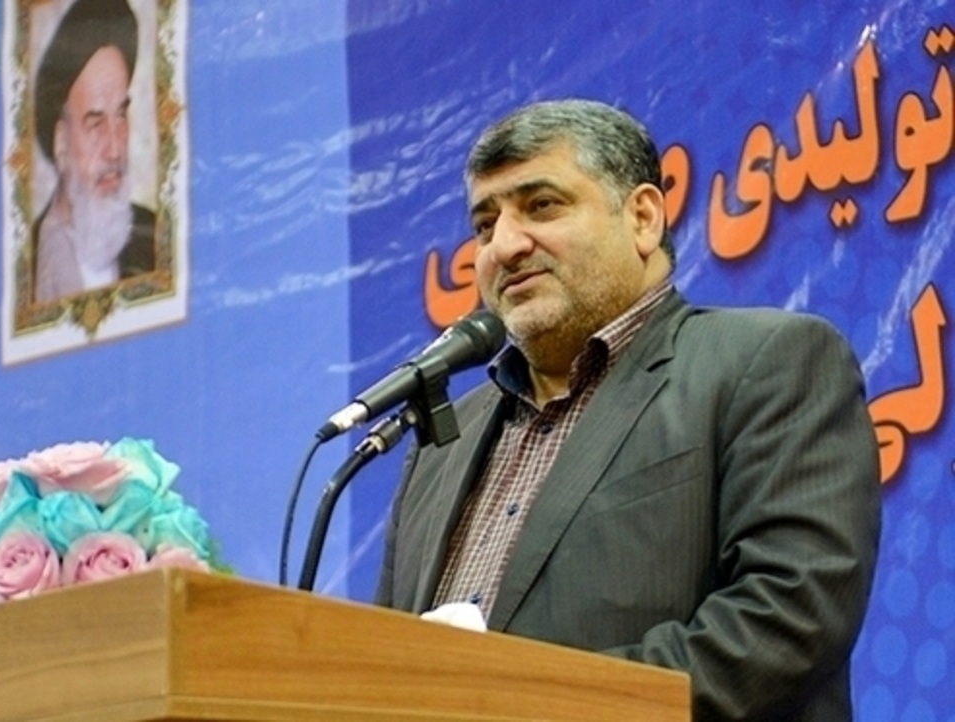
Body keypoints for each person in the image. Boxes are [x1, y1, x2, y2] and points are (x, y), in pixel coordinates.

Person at [375, 99, 881, 721]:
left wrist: (521, 706)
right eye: (484, 225)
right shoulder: (441, 444)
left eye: (542, 206)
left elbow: (786, 622)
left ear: (642, 217)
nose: (503, 245)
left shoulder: (768, 362)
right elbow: (382, 670)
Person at [30, 0, 155, 303]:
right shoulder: (29, 260)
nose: (115, 149)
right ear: (61, 143)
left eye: (121, 116)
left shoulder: (153, 236)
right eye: (96, 124)